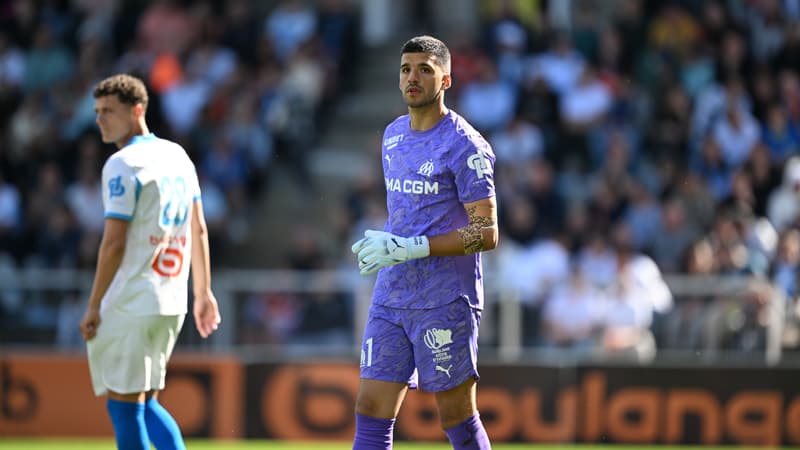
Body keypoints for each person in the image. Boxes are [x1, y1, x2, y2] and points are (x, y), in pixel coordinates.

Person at [350, 35, 498, 450]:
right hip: (392, 293)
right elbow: (410, 211)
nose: (412, 78)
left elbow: (487, 231)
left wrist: (417, 247)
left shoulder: (466, 145)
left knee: (456, 417)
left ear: (446, 79)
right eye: (405, 69)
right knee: (370, 407)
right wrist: (387, 243)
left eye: (425, 70)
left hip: (445, 298)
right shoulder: (393, 135)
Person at [79, 74, 221, 450]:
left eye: (110, 110)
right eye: (97, 112)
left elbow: (113, 244)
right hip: (169, 303)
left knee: (124, 409)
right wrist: (202, 292)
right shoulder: (177, 155)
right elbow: (199, 229)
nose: (101, 119)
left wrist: (94, 305)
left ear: (137, 110)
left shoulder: (123, 164)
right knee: (147, 402)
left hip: (134, 300)